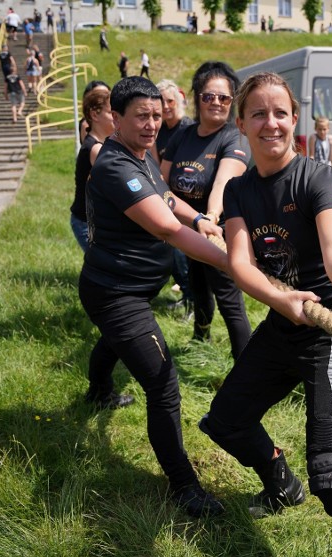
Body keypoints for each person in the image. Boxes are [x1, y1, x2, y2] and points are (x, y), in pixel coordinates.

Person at [198, 70, 332, 557]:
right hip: (284, 326)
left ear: (295, 120)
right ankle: (281, 484)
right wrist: (281, 301)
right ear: (242, 124)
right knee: (225, 422)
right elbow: (240, 262)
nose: (272, 123)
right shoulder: (241, 191)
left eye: (281, 113)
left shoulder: (316, 177)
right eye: (259, 114)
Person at [79, 76, 228, 517]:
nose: (150, 124)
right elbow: (164, 226)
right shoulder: (113, 166)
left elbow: (168, 198)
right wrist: (230, 262)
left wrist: (201, 216)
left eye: (156, 116)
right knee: (162, 384)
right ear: (116, 118)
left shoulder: (141, 156)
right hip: (114, 292)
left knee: (114, 342)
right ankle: (184, 486)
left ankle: (99, 391)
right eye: (140, 116)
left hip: (133, 289)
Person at [160, 61, 253, 359]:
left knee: (230, 301)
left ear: (232, 102)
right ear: (197, 97)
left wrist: (210, 217)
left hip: (218, 234)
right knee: (199, 289)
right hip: (188, 231)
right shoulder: (183, 134)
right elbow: (162, 181)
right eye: (209, 96)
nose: (216, 102)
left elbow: (224, 185)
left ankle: (246, 365)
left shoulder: (234, 138)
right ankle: (200, 340)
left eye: (224, 97)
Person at [156, 79, 196, 313]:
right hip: (166, 198)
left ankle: (193, 301)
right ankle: (188, 296)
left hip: (188, 201)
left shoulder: (188, 128)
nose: (166, 106)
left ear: (179, 101)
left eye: (170, 101)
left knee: (183, 253)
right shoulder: (159, 129)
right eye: (162, 101)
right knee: (174, 253)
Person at [71, 88, 115, 251]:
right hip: (87, 224)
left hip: (94, 222)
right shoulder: (95, 149)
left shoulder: (103, 144)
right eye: (111, 113)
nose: (116, 117)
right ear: (94, 115)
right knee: (106, 269)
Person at [308, 117, 332, 181]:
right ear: (315, 129)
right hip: (316, 170)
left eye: (324, 129)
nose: (322, 132)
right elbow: (311, 156)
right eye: (319, 129)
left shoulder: (331, 139)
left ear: (328, 129)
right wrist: (309, 172)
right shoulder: (313, 138)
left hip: (327, 169)